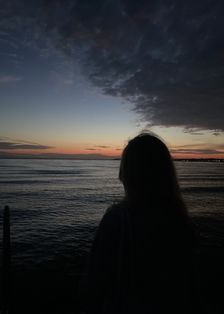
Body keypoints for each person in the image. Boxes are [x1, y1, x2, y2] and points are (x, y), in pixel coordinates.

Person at [83, 132, 197, 314]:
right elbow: (189, 283)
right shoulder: (179, 220)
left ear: (126, 173)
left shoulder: (117, 220)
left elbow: (95, 282)